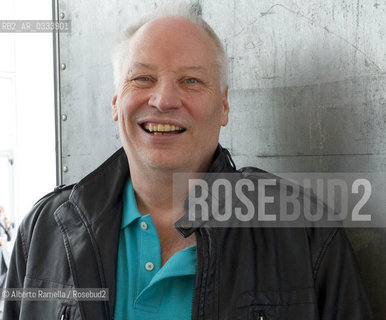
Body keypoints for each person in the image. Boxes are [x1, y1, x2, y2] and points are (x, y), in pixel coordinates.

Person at [4, 2, 373, 319]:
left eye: (191, 81)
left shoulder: (304, 234)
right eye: (143, 78)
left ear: (224, 105)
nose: (164, 99)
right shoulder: (43, 232)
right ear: (116, 102)